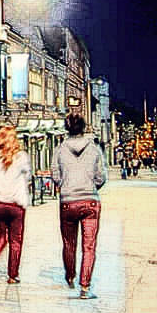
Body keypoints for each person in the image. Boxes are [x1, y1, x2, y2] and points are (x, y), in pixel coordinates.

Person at [51, 113, 107, 299]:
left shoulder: (59, 149)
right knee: (89, 246)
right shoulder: (94, 149)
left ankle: (70, 276)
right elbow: (101, 176)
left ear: (67, 128)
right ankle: (85, 286)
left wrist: (64, 185)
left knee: (69, 243)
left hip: (68, 201)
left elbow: (55, 174)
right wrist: (91, 186)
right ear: (84, 127)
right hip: (90, 201)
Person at [0, 125, 32, 284]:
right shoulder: (21, 156)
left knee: (2, 235)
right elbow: (28, 176)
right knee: (16, 240)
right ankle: (12, 275)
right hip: (16, 204)